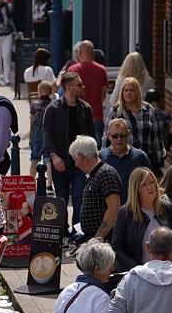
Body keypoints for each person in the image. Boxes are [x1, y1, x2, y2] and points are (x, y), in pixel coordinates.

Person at [42, 72, 95, 229]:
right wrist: (54, 156)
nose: (82, 87)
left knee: (79, 199)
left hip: (81, 164)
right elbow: (48, 135)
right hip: (61, 162)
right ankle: (63, 232)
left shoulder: (86, 108)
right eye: (79, 85)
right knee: (62, 200)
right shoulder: (53, 109)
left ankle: (77, 233)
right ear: (68, 87)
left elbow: (92, 136)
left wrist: (91, 160)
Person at [108, 167, 172, 272]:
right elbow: (116, 248)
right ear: (136, 189)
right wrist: (137, 269)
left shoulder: (167, 207)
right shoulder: (125, 212)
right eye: (144, 185)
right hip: (138, 274)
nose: (150, 187)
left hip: (167, 272)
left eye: (152, 182)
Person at [71, 135, 124, 244]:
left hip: (103, 242)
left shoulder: (105, 173)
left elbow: (114, 208)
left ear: (81, 157)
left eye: (74, 159)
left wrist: (98, 237)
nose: (75, 164)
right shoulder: (94, 175)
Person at [98, 116, 152, 197]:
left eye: (122, 135)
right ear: (108, 135)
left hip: (133, 207)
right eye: (114, 136)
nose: (119, 139)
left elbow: (151, 183)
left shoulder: (140, 157)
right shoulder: (100, 157)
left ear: (128, 134)